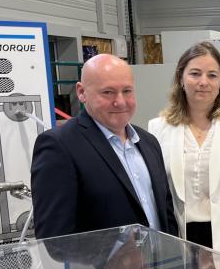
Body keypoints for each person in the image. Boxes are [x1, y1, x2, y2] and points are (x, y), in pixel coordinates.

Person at [31, 54, 177, 239]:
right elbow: (53, 238)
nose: (120, 101)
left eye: (127, 91)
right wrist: (112, 256)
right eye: (108, 92)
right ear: (81, 92)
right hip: (102, 268)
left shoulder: (148, 142)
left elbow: (166, 214)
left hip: (162, 265)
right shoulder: (59, 147)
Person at [148, 42, 220, 265]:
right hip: (183, 242)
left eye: (212, 75)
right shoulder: (158, 128)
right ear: (181, 79)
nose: (203, 82)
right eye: (195, 74)